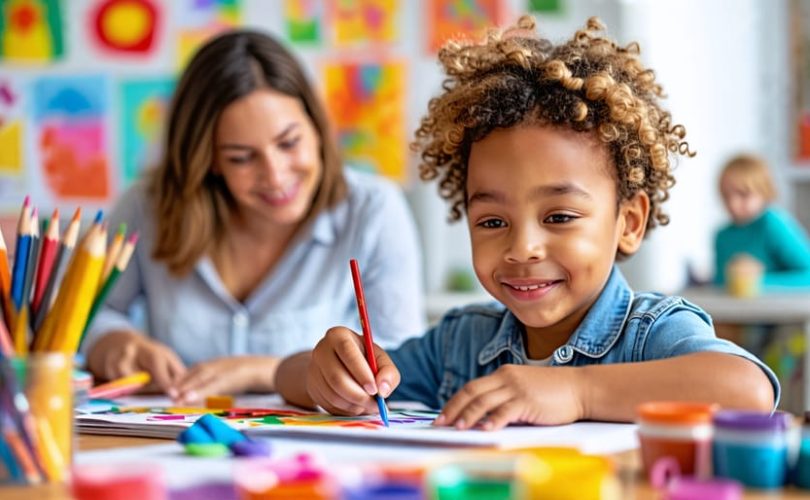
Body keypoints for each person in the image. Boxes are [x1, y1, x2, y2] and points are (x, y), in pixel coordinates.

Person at [276, 16, 779, 429]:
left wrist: (576, 392)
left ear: (628, 221)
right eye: (493, 221)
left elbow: (748, 390)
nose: (523, 248)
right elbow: (289, 376)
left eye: (559, 216)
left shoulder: (651, 334)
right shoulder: (462, 342)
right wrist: (328, 370)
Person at [82, 30, 425, 403]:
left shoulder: (372, 210)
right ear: (208, 158)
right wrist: (115, 343)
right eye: (241, 158)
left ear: (317, 128)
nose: (275, 177)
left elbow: (404, 361)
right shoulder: (146, 207)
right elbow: (83, 319)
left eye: (289, 142)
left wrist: (259, 370)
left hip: (311, 453)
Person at [714, 153, 810, 289]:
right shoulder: (722, 236)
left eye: (743, 194)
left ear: (764, 191)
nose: (733, 203)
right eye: (726, 195)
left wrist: (757, 281)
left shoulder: (773, 224)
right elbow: (719, 285)